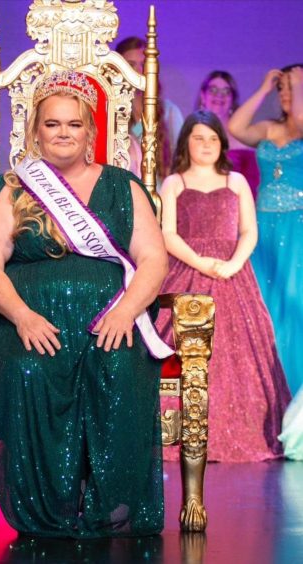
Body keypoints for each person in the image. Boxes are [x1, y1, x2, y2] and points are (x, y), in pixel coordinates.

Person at [0, 70, 171, 537]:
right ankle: (48, 508)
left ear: (91, 133)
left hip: (114, 321)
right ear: (36, 132)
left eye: (74, 124)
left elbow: (153, 261)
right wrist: (21, 315)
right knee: (29, 371)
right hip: (25, 325)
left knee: (120, 368)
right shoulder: (14, 187)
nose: (63, 133)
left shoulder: (123, 186)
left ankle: (111, 505)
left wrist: (125, 311)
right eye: (53, 124)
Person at [156, 110, 290, 463]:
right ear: (186, 141)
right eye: (199, 137)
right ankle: (177, 432)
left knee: (241, 352)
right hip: (188, 270)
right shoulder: (175, 183)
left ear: (222, 143)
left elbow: (249, 231)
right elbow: (167, 234)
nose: (206, 145)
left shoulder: (236, 182)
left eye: (213, 138)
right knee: (181, 349)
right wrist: (201, 263)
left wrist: (231, 265)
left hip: (233, 275)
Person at [229, 65, 303, 459]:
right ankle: (268, 411)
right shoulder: (270, 129)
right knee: (265, 312)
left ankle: (295, 407)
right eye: (284, 87)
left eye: (294, 87)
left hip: (298, 230)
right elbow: (236, 127)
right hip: (264, 231)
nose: (288, 93)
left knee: (294, 308)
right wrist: (263, 87)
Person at [115, 36, 184, 185]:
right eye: (131, 65)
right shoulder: (109, 112)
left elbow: (182, 164)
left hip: (161, 200)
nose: (139, 71)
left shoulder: (169, 112)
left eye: (144, 65)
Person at [196, 70, 260, 198]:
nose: (219, 95)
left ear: (232, 99)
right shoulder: (191, 134)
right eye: (213, 90)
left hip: (239, 208)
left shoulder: (243, 134)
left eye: (226, 91)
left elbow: (253, 182)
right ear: (203, 96)